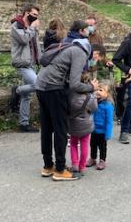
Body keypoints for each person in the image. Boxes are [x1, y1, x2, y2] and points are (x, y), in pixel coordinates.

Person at [36, 20, 96, 181]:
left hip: (40, 85)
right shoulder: (79, 52)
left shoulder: (66, 45)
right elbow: (75, 84)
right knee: (61, 130)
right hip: (53, 89)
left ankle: (48, 166)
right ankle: (61, 170)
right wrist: (92, 88)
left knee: (47, 129)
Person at [10, 3, 41, 132]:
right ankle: (17, 90)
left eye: (37, 15)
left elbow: (36, 44)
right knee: (38, 84)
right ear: (26, 13)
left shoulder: (31, 27)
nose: (36, 17)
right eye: (34, 14)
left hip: (31, 63)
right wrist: (33, 28)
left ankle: (23, 124)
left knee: (26, 96)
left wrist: (40, 59)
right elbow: (24, 39)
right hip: (21, 63)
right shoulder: (16, 26)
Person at [68, 72, 97, 175]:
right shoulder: (90, 96)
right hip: (86, 124)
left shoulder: (71, 94)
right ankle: (82, 167)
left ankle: (74, 164)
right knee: (85, 145)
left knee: (73, 143)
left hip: (73, 124)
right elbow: (94, 109)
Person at [87, 83, 114, 170]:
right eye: (96, 89)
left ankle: (102, 160)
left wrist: (108, 133)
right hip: (93, 130)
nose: (97, 92)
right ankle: (93, 158)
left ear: (107, 94)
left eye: (100, 90)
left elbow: (109, 122)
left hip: (102, 132)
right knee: (93, 145)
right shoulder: (94, 102)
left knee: (102, 147)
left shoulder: (108, 106)